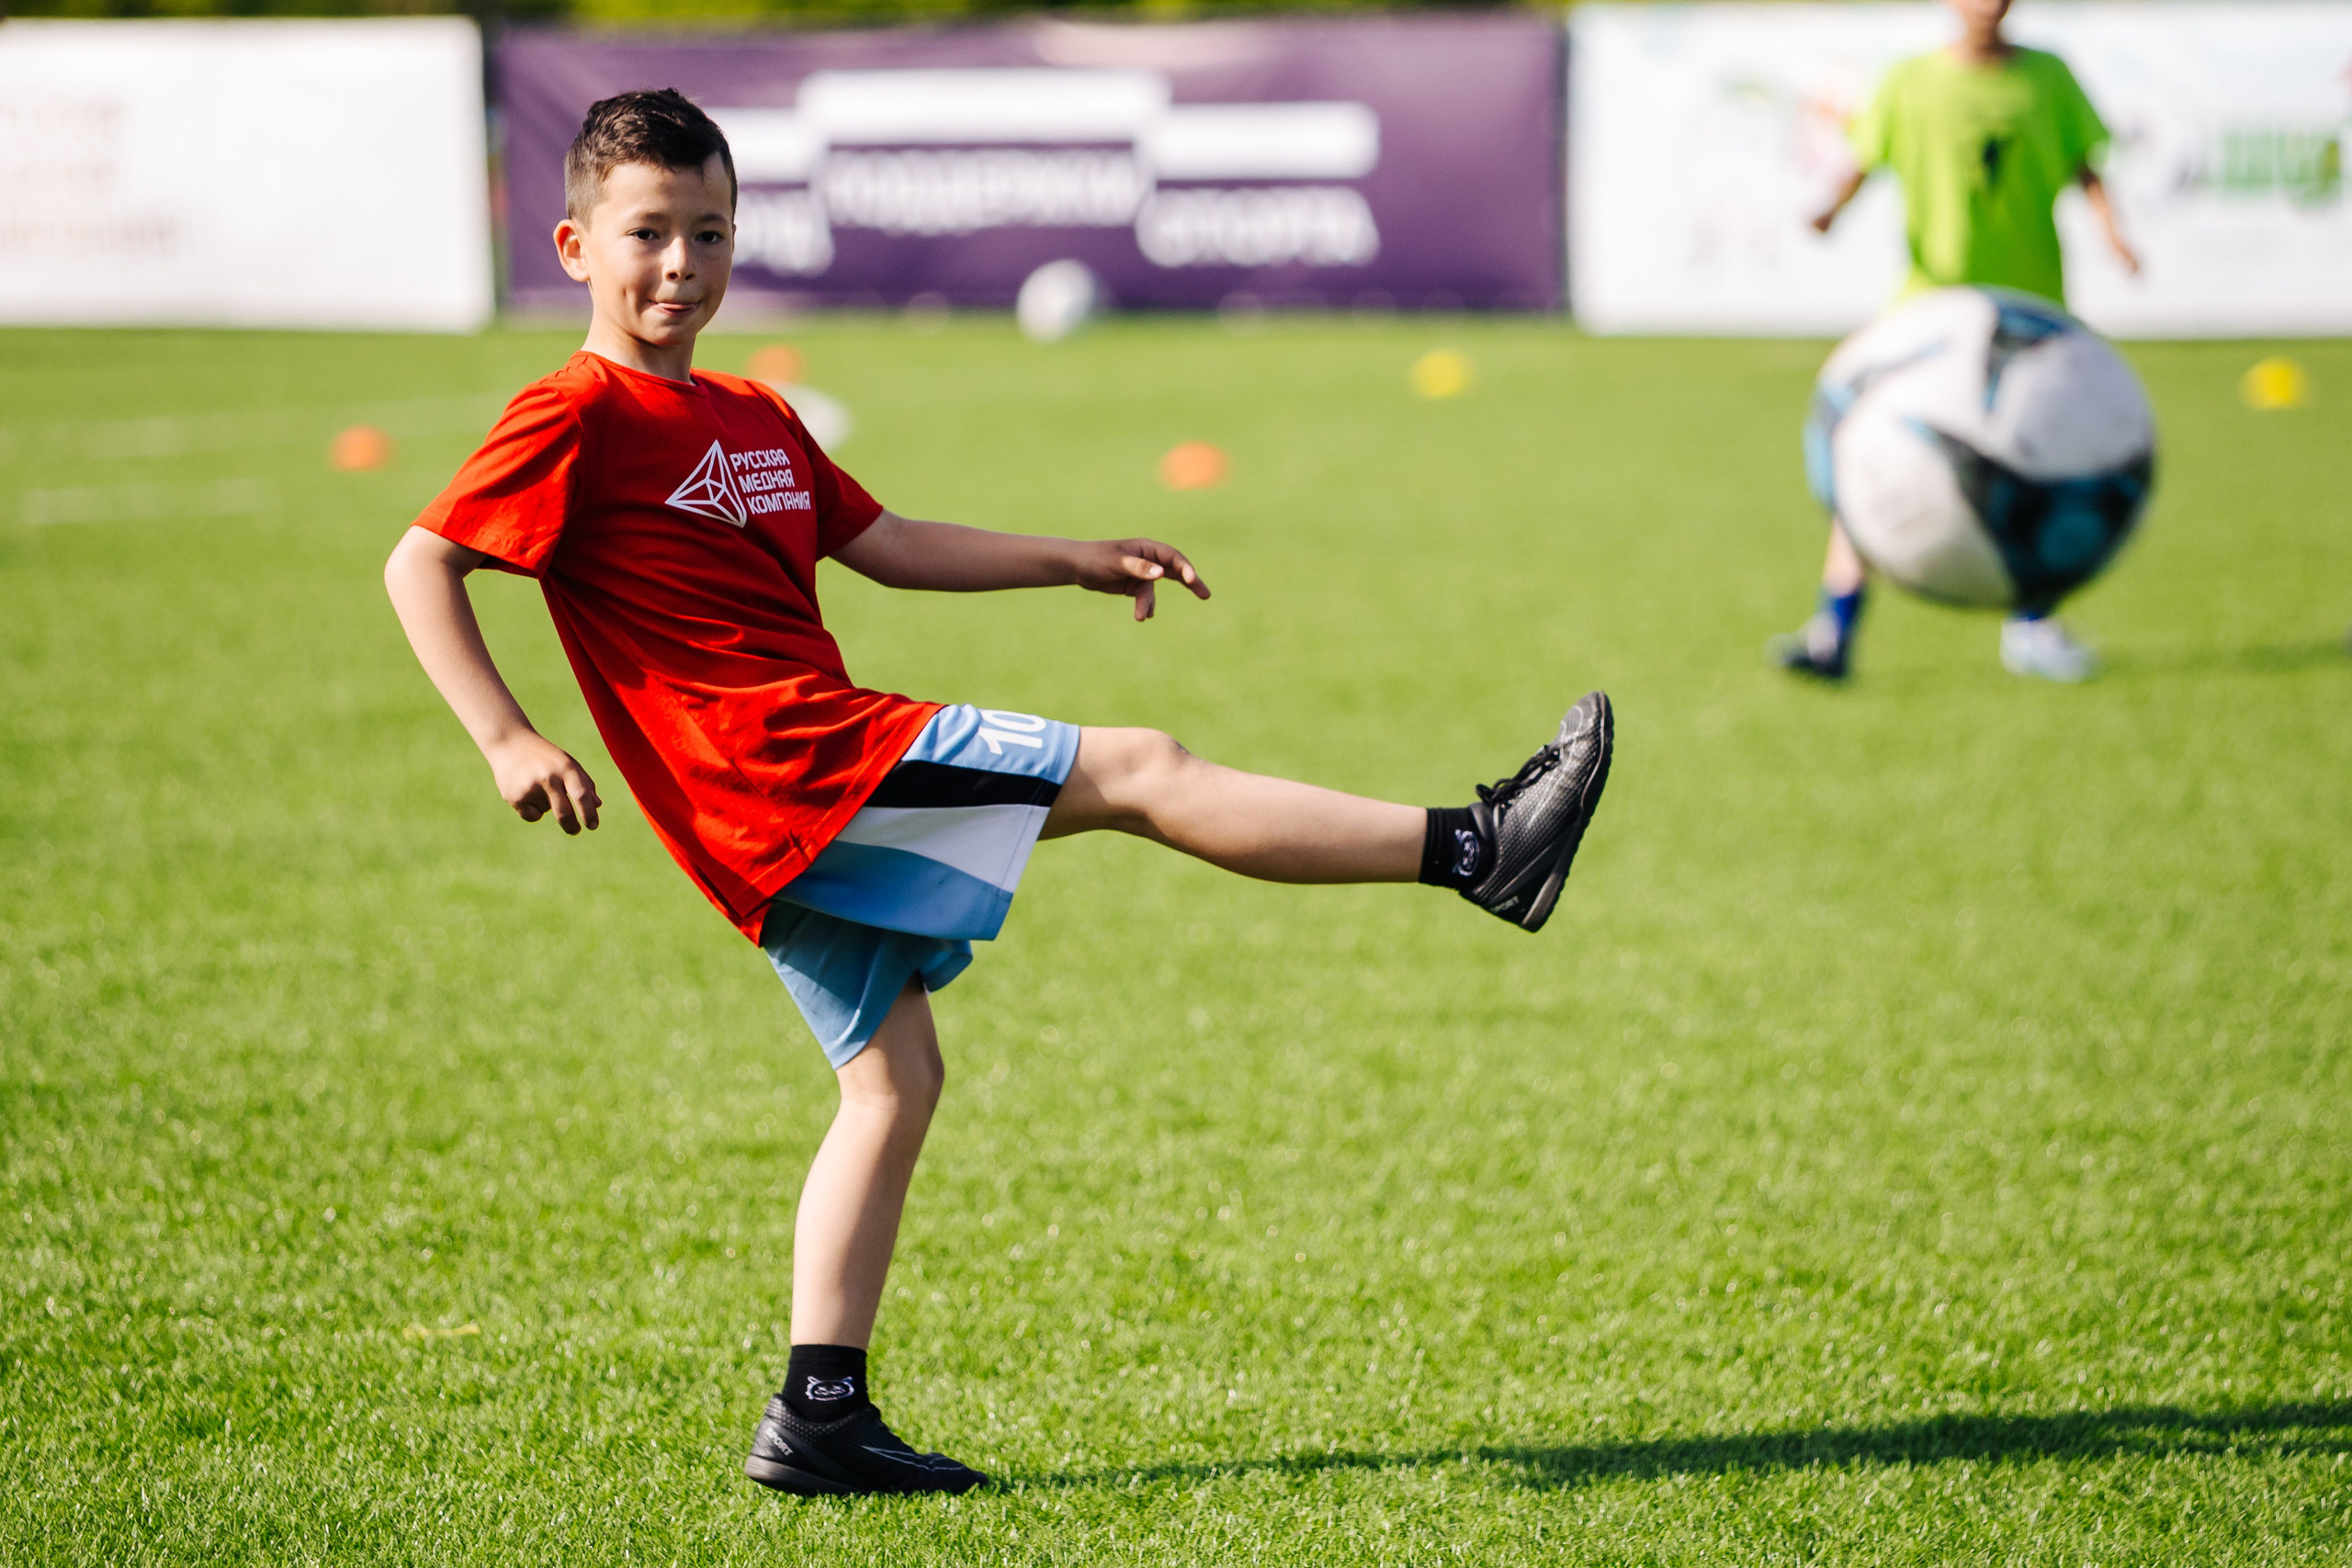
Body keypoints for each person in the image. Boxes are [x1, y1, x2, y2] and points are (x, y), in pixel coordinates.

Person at [383, 89, 1614, 1499]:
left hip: (778, 815)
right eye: (648, 235)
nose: (680, 266)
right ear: (576, 247)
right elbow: (422, 561)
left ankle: (819, 1415)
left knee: (895, 1080)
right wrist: (503, 736)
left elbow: (886, 542)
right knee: (1143, 767)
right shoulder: (571, 411)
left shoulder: (748, 409)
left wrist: (1072, 556)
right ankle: (1478, 848)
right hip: (795, 767)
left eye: (708, 232)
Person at [1771, 0, 2141, 684]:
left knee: (2041, 463)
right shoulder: (1908, 81)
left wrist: (2114, 232)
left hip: (2028, 314)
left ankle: (2034, 627)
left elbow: (2086, 163)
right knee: (1873, 460)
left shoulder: (2049, 77)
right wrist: (1831, 208)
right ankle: (1834, 630)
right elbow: (1864, 158)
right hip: (1928, 314)